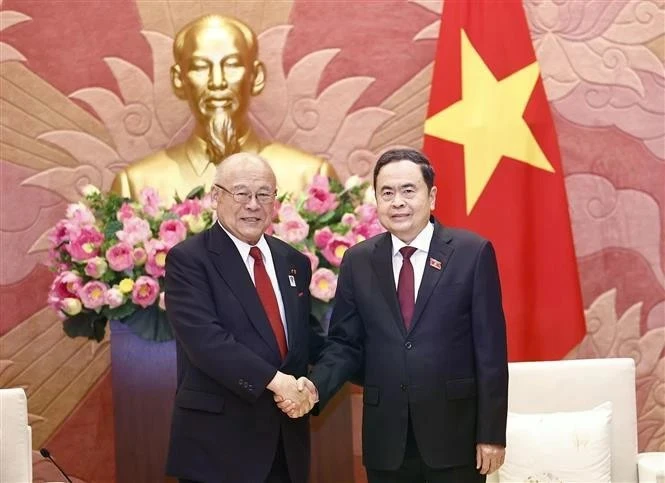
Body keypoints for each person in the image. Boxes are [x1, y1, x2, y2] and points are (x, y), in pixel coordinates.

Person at [281, 148, 508, 482]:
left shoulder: (471, 253)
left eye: (408, 190)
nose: (397, 201)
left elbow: (490, 352)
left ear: (432, 197)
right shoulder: (358, 261)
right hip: (386, 440)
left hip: (455, 437)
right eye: (387, 193)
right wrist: (314, 388)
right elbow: (345, 344)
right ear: (376, 200)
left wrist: (491, 434)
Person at [164, 152, 320, 483]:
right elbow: (207, 343)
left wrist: (317, 384)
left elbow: (308, 339)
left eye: (264, 194)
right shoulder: (189, 260)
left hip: (285, 446)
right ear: (215, 197)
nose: (253, 204)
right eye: (241, 193)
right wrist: (280, 383)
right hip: (217, 450)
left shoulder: (294, 261)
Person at [111, 14, 334, 203]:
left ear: (256, 77)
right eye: (199, 67)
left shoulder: (311, 178)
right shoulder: (135, 185)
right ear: (179, 80)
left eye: (232, 65)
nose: (217, 82)